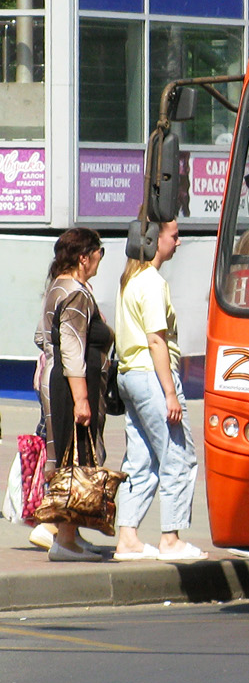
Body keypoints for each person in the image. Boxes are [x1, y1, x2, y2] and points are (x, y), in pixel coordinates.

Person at [112, 219, 207, 562]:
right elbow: (156, 340)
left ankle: (128, 537)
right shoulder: (151, 283)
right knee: (177, 456)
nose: (178, 243)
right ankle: (171, 539)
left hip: (131, 377)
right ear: (153, 242)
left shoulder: (129, 281)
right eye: (174, 237)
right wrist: (170, 392)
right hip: (152, 377)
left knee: (140, 459)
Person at [31, 227, 112, 562]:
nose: (98, 262)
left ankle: (72, 536)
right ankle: (64, 540)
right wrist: (81, 398)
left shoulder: (58, 287)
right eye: (97, 255)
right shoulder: (76, 291)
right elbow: (73, 348)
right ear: (84, 257)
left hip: (60, 381)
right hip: (71, 385)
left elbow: (42, 337)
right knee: (74, 458)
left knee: (70, 454)